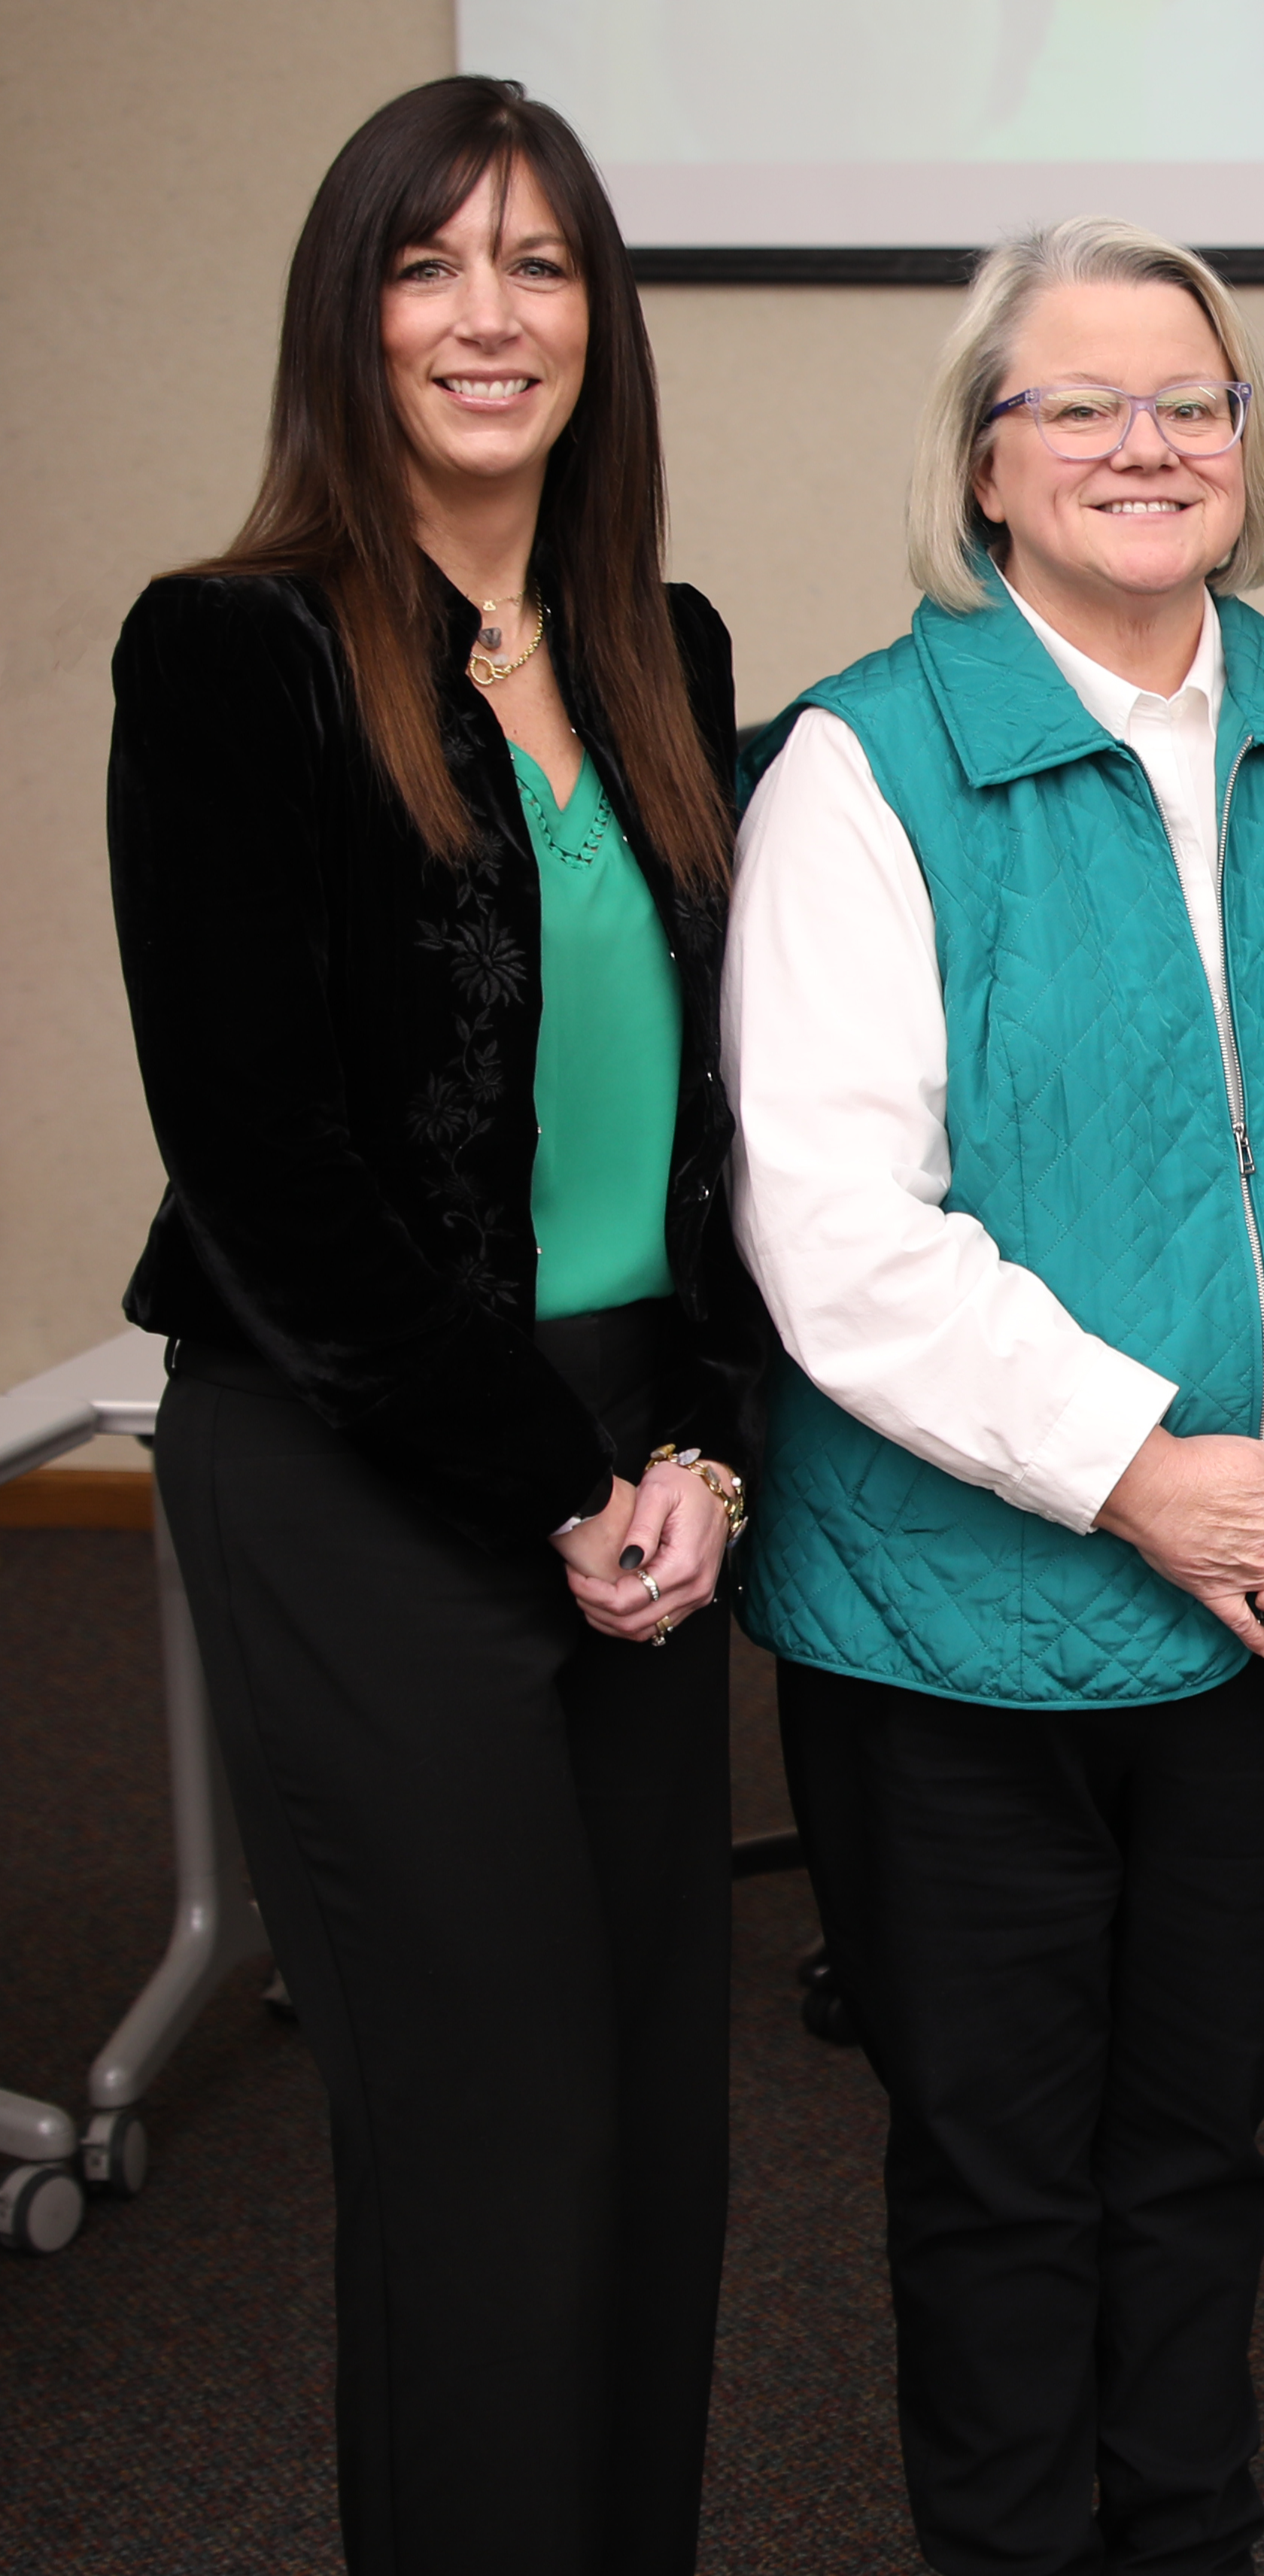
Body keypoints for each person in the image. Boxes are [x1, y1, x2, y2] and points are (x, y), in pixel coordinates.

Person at [721, 217, 1264, 2574]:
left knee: (1202, 2144)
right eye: (1076, 404)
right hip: (960, 1624)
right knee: (999, 2177)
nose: (1142, 446)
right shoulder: (866, 769)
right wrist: (1142, 1474)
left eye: (1191, 400)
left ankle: (1192, 2537)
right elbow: (836, 1228)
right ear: (983, 463)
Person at [102, 73, 761, 2576]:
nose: (490, 318)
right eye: (428, 264)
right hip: (360, 1454)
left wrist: (691, 1442)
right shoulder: (232, 655)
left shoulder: (658, 648)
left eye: (541, 266)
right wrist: (563, 1478)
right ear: (349, 317)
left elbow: (694, 1132)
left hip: (630, 1461)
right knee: (490, 2147)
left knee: (652, 2133)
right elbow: (268, 1169)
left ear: (603, 320)